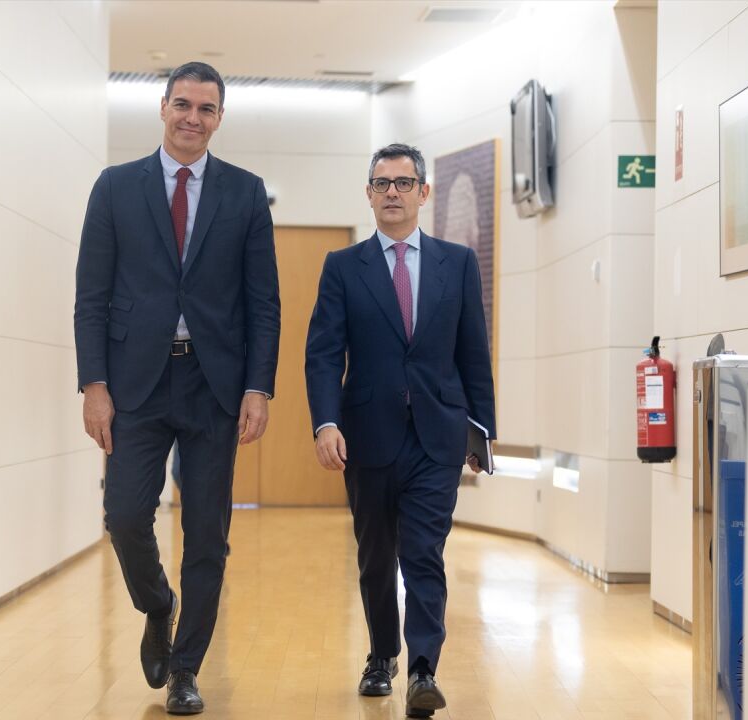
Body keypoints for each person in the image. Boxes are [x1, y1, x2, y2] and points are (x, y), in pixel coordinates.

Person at [74, 61, 280, 716]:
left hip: (214, 383)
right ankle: (158, 604)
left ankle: (186, 669)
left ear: (219, 118)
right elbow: (91, 296)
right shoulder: (115, 187)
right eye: (183, 104)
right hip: (135, 382)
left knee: (207, 534)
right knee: (125, 515)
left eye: (206, 108)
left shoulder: (245, 194)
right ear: (163, 107)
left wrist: (258, 387)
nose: (193, 118)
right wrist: (94, 384)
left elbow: (263, 303)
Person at [304, 144, 495, 718]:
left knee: (423, 552)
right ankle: (382, 653)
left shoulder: (457, 263)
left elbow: (473, 352)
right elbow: (322, 354)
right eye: (382, 183)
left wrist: (482, 432)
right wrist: (326, 422)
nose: (393, 192)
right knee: (375, 554)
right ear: (368, 194)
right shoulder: (343, 266)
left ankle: (422, 669)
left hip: (438, 435)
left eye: (404, 183)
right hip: (367, 435)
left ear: (423, 193)